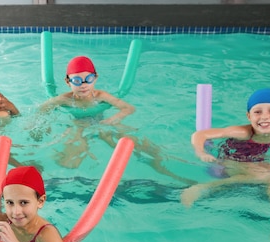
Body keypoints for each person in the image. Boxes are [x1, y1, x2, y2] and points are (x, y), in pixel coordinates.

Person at [181, 88, 270, 242]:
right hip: (228, 163)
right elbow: (199, 135)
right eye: (257, 112)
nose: (265, 117)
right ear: (249, 116)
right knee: (266, 174)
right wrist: (200, 152)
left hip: (255, 164)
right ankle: (203, 187)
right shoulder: (242, 132)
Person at [39, 56, 194, 184]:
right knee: (69, 162)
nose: (84, 85)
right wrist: (45, 125)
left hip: (103, 124)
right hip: (78, 125)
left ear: (96, 78)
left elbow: (128, 108)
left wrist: (113, 119)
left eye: (89, 79)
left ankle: (169, 170)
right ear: (68, 82)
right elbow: (42, 109)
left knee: (139, 147)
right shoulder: (64, 99)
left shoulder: (101, 96)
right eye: (77, 81)